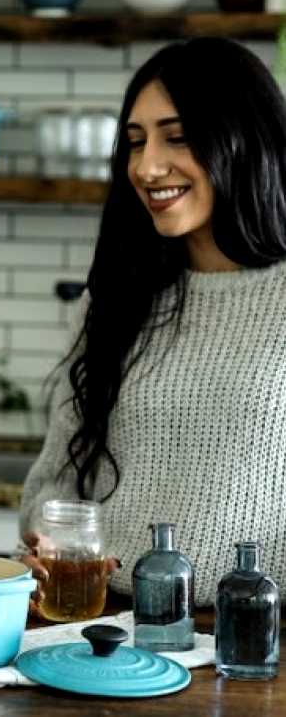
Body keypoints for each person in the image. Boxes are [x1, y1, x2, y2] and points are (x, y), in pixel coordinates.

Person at [20, 36, 286, 607]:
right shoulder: (119, 300)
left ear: (245, 139)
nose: (147, 166)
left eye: (179, 137)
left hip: (253, 642)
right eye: (135, 142)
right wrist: (47, 536)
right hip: (105, 624)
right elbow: (56, 480)